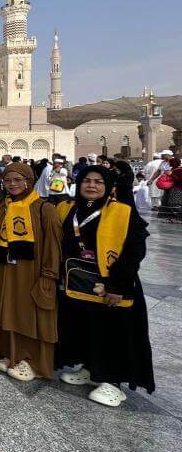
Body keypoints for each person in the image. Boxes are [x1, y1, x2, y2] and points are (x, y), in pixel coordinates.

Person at [55, 165, 154, 406]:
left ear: (108, 187)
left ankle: (113, 382)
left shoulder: (122, 211)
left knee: (113, 331)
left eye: (98, 182)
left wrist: (119, 285)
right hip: (78, 282)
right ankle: (90, 369)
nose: (91, 186)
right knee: (86, 327)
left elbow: (134, 250)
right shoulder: (68, 209)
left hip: (112, 283)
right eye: (87, 180)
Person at [0, 162, 62, 381]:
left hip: (30, 272)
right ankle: (10, 354)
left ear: (29, 181)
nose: (12, 184)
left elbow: (53, 247)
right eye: (7, 180)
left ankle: (31, 360)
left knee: (29, 314)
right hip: (3, 269)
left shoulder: (44, 209)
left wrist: (48, 275)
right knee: (5, 309)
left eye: (18, 180)